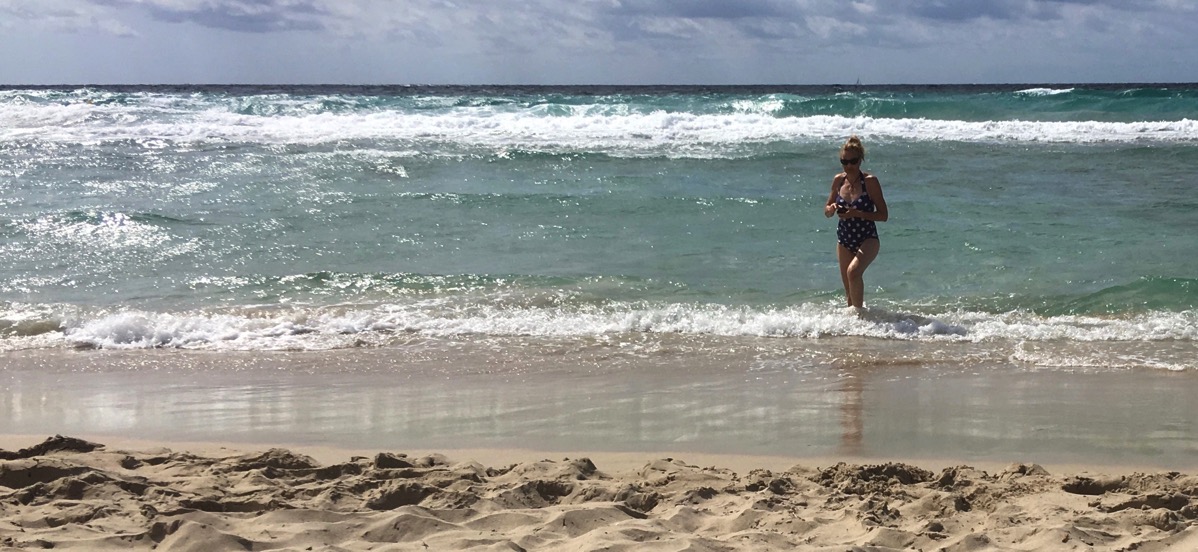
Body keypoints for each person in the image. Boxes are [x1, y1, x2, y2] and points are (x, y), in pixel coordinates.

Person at [823, 135, 888, 309]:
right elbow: (827, 209)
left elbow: (883, 215)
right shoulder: (839, 180)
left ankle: (860, 317)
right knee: (849, 293)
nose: (848, 166)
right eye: (844, 161)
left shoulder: (870, 182)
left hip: (868, 237)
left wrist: (857, 213)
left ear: (860, 160)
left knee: (853, 273)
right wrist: (831, 209)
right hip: (844, 239)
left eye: (852, 161)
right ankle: (856, 331)